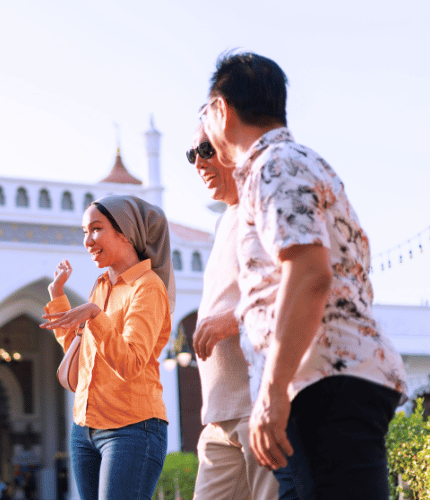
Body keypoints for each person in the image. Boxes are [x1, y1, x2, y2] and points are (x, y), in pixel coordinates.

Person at [200, 51, 408, 499]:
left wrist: (273, 392)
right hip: (327, 378)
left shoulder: (275, 165)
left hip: (323, 383)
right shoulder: (297, 163)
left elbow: (310, 274)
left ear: (221, 110)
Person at [40, 194, 173, 500]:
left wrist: (94, 315)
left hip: (132, 429)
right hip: (84, 429)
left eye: (96, 229)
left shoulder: (148, 287)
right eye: (84, 232)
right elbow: (79, 352)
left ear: (124, 232)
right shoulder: (101, 286)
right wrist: (57, 294)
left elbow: (129, 363)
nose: (88, 240)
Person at [188, 123, 278, 500]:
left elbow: (293, 284)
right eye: (191, 155)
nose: (198, 163)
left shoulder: (264, 203)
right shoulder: (226, 219)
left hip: (258, 405)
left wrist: (231, 320)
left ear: (231, 149)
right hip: (220, 415)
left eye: (205, 150)